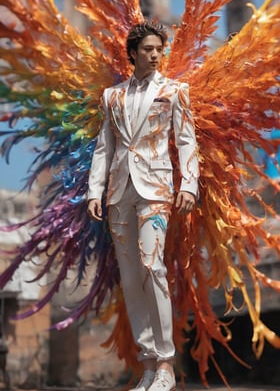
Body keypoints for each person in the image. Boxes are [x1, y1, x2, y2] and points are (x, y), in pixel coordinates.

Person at [87, 20, 199, 391]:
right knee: (132, 279)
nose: (155, 55)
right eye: (148, 50)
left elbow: (185, 141)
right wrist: (94, 191)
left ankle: (166, 363)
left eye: (159, 49)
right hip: (119, 192)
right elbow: (105, 147)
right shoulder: (112, 96)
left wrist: (190, 184)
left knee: (153, 267)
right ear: (133, 53)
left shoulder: (175, 91)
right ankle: (148, 363)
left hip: (155, 189)